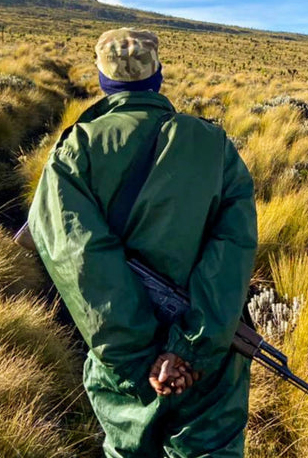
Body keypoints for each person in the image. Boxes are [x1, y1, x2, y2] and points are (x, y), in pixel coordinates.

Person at [28, 28, 258, 457]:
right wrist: (189, 351)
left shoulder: (74, 151)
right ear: (159, 77)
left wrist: (138, 361)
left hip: (120, 366)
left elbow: (81, 260)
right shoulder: (215, 145)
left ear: (102, 81)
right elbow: (233, 251)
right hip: (211, 363)